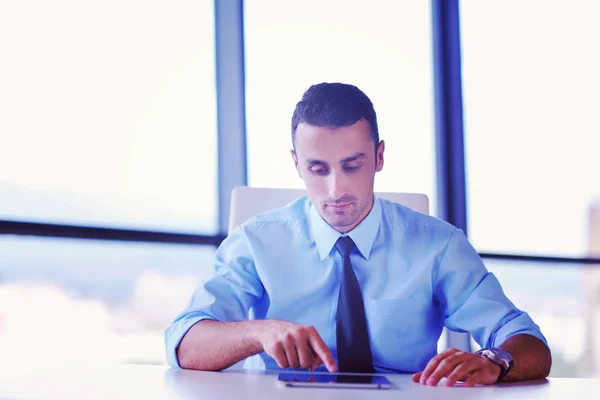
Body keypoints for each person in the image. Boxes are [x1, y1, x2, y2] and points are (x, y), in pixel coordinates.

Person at [165, 82, 552, 387]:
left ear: (379, 157)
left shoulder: (439, 246)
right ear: (296, 164)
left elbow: (529, 343)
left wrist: (495, 361)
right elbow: (185, 344)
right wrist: (259, 331)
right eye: (318, 169)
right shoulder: (257, 242)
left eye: (352, 166)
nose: (337, 190)